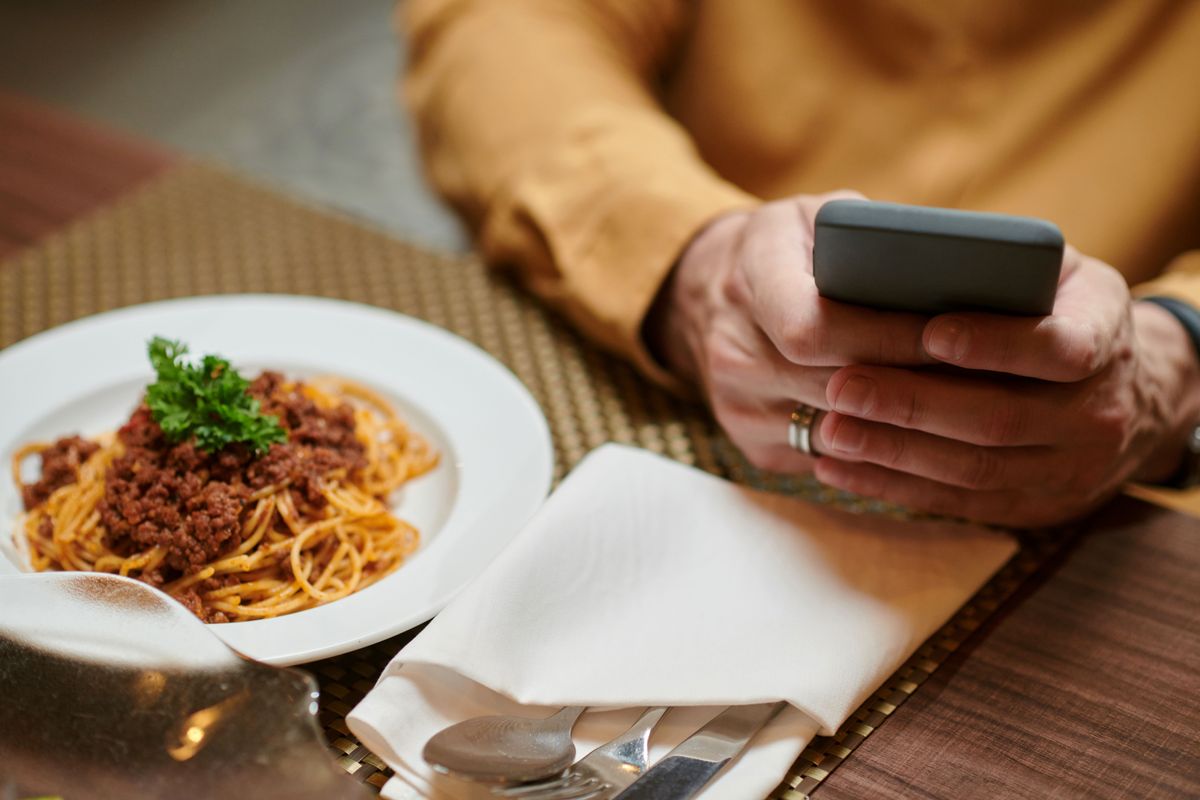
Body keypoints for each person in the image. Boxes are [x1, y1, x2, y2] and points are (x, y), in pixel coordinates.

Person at [398, 0, 1200, 527]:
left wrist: (1173, 359)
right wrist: (686, 258)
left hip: (1122, 494)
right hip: (677, 380)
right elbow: (506, 28)